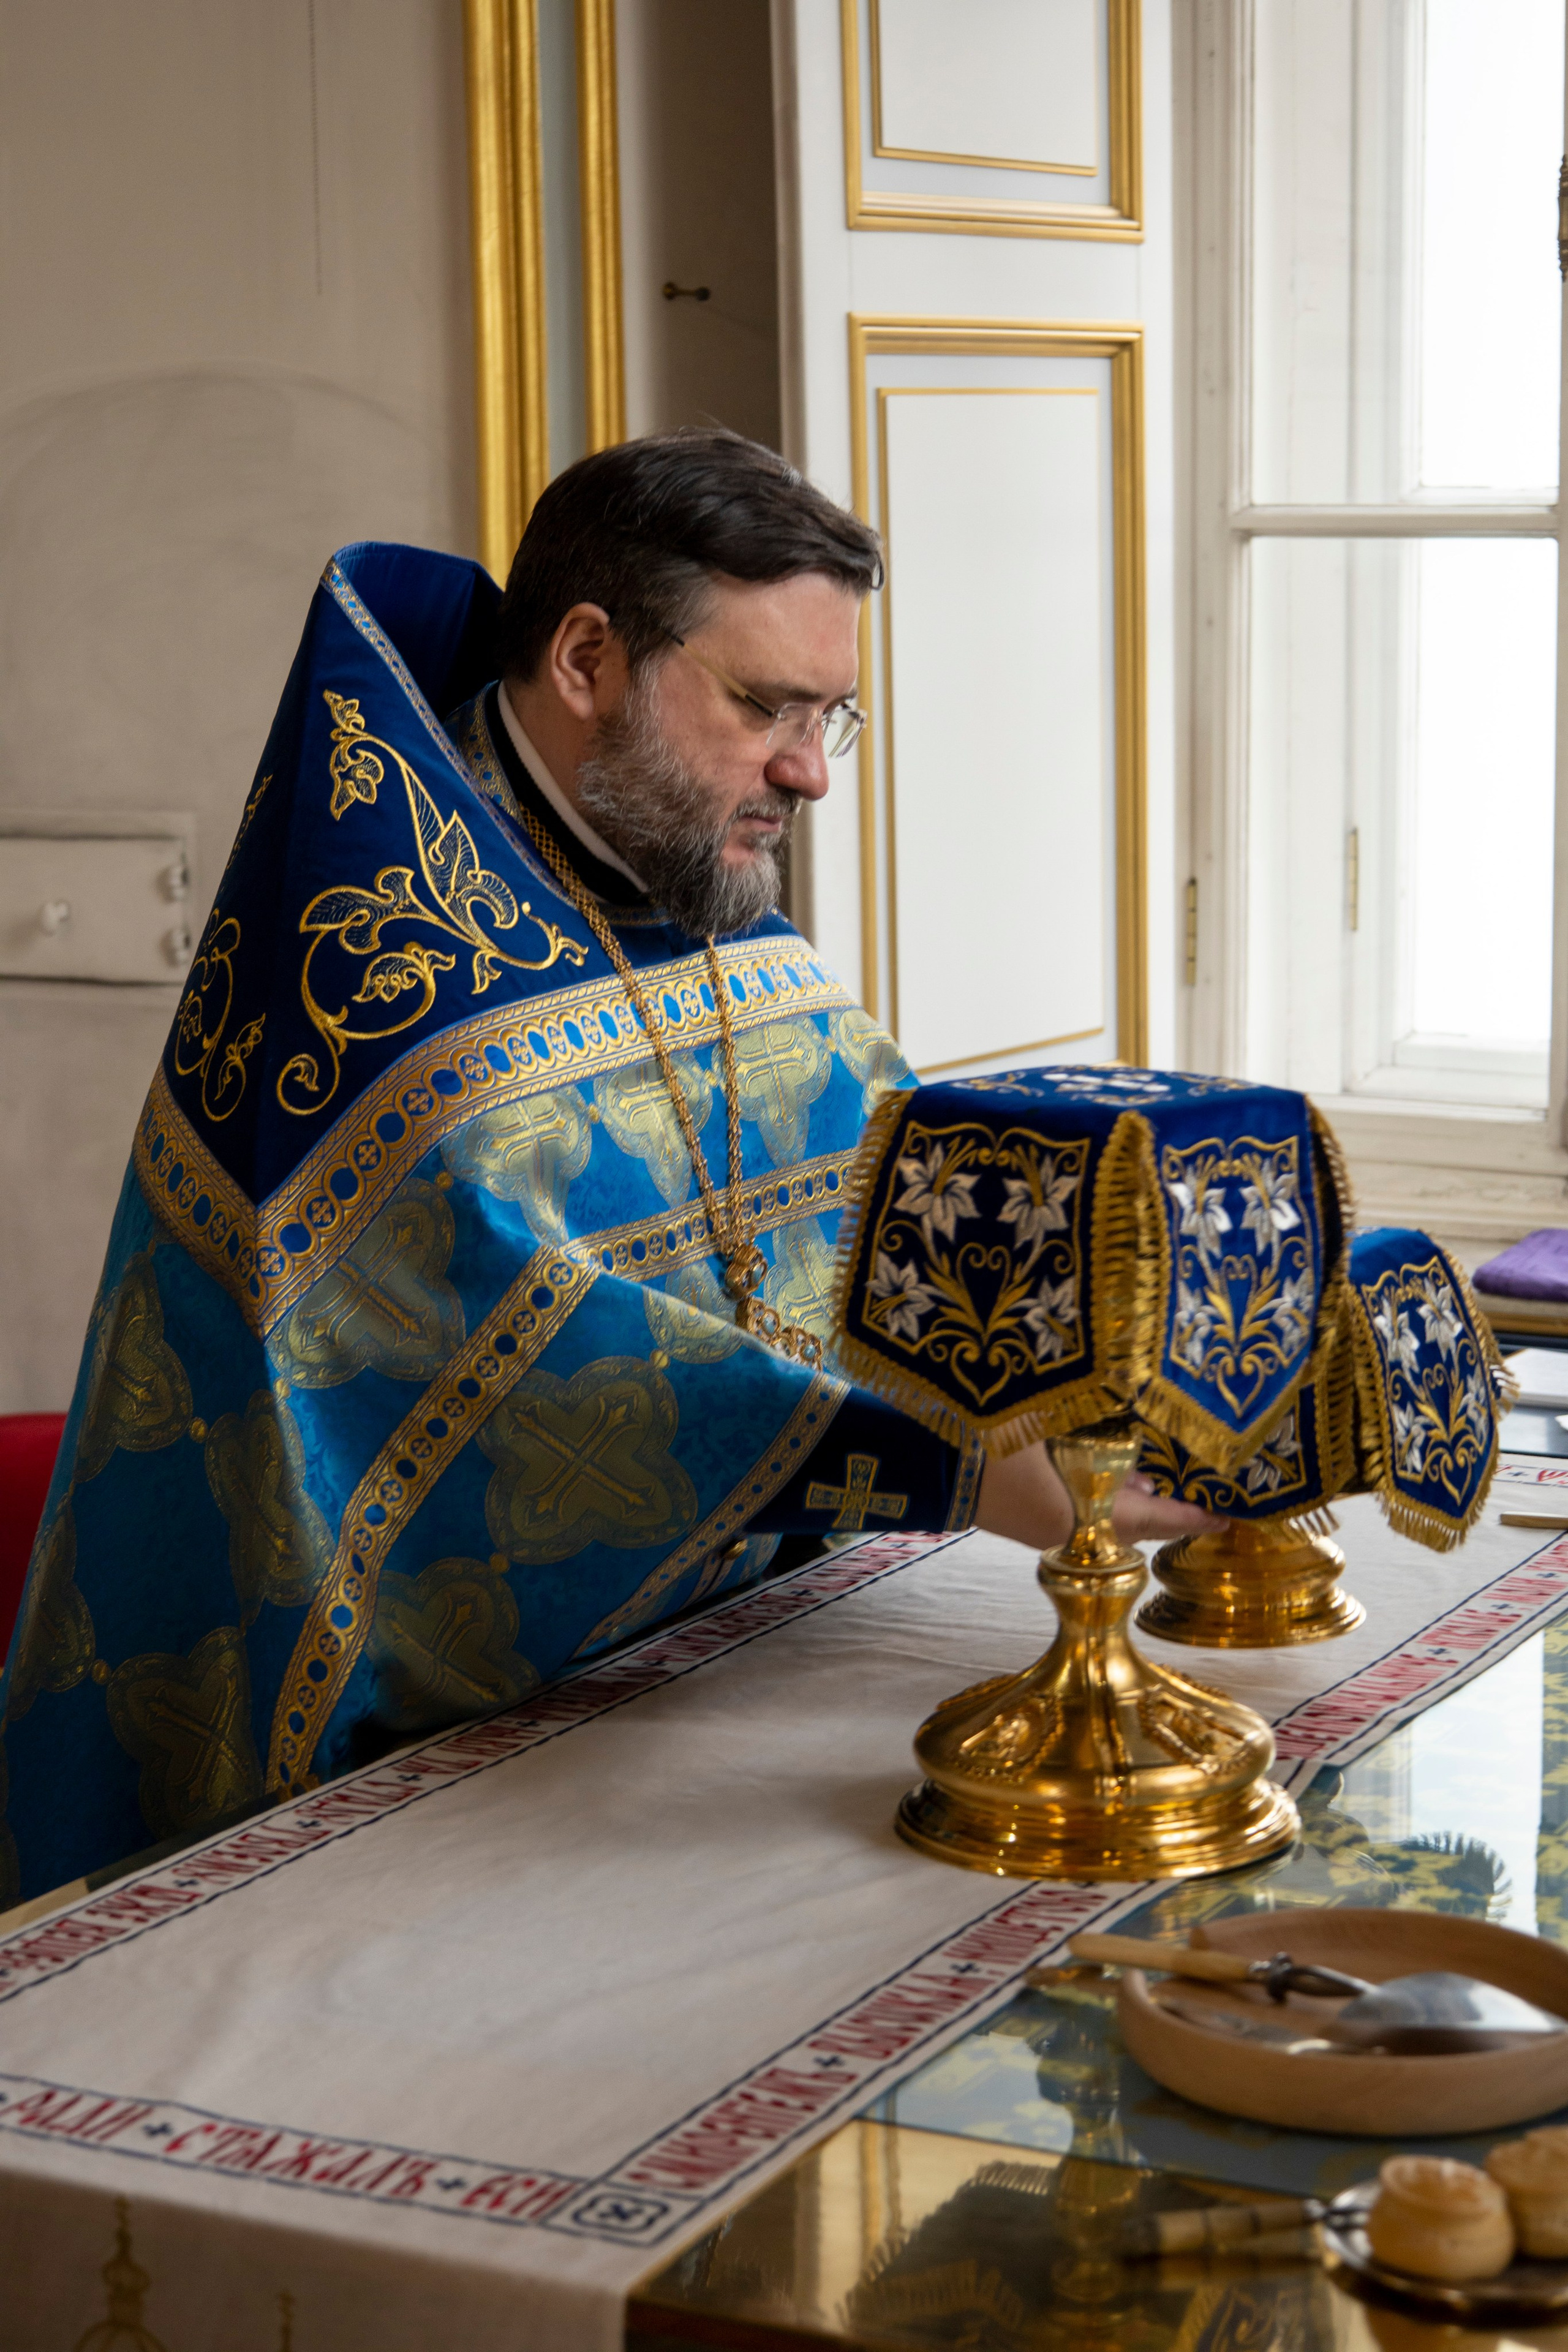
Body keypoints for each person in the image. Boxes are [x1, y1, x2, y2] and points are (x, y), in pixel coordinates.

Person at [0, 429, 1213, 1904]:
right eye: (765, 704)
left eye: (832, 715)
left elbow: (894, 1170)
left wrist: (1149, 1335)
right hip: (375, 1770)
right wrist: (961, 1466)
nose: (804, 774)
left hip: (714, 1656)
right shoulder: (380, 967)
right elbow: (526, 1371)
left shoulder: (677, 872)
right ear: (584, 658)